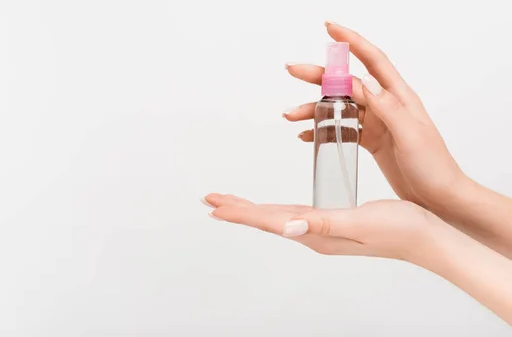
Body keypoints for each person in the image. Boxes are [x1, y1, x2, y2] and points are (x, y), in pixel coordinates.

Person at [200, 22, 512, 325]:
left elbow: (424, 238)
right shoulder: (333, 107)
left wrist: (425, 239)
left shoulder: (342, 109)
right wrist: (450, 193)